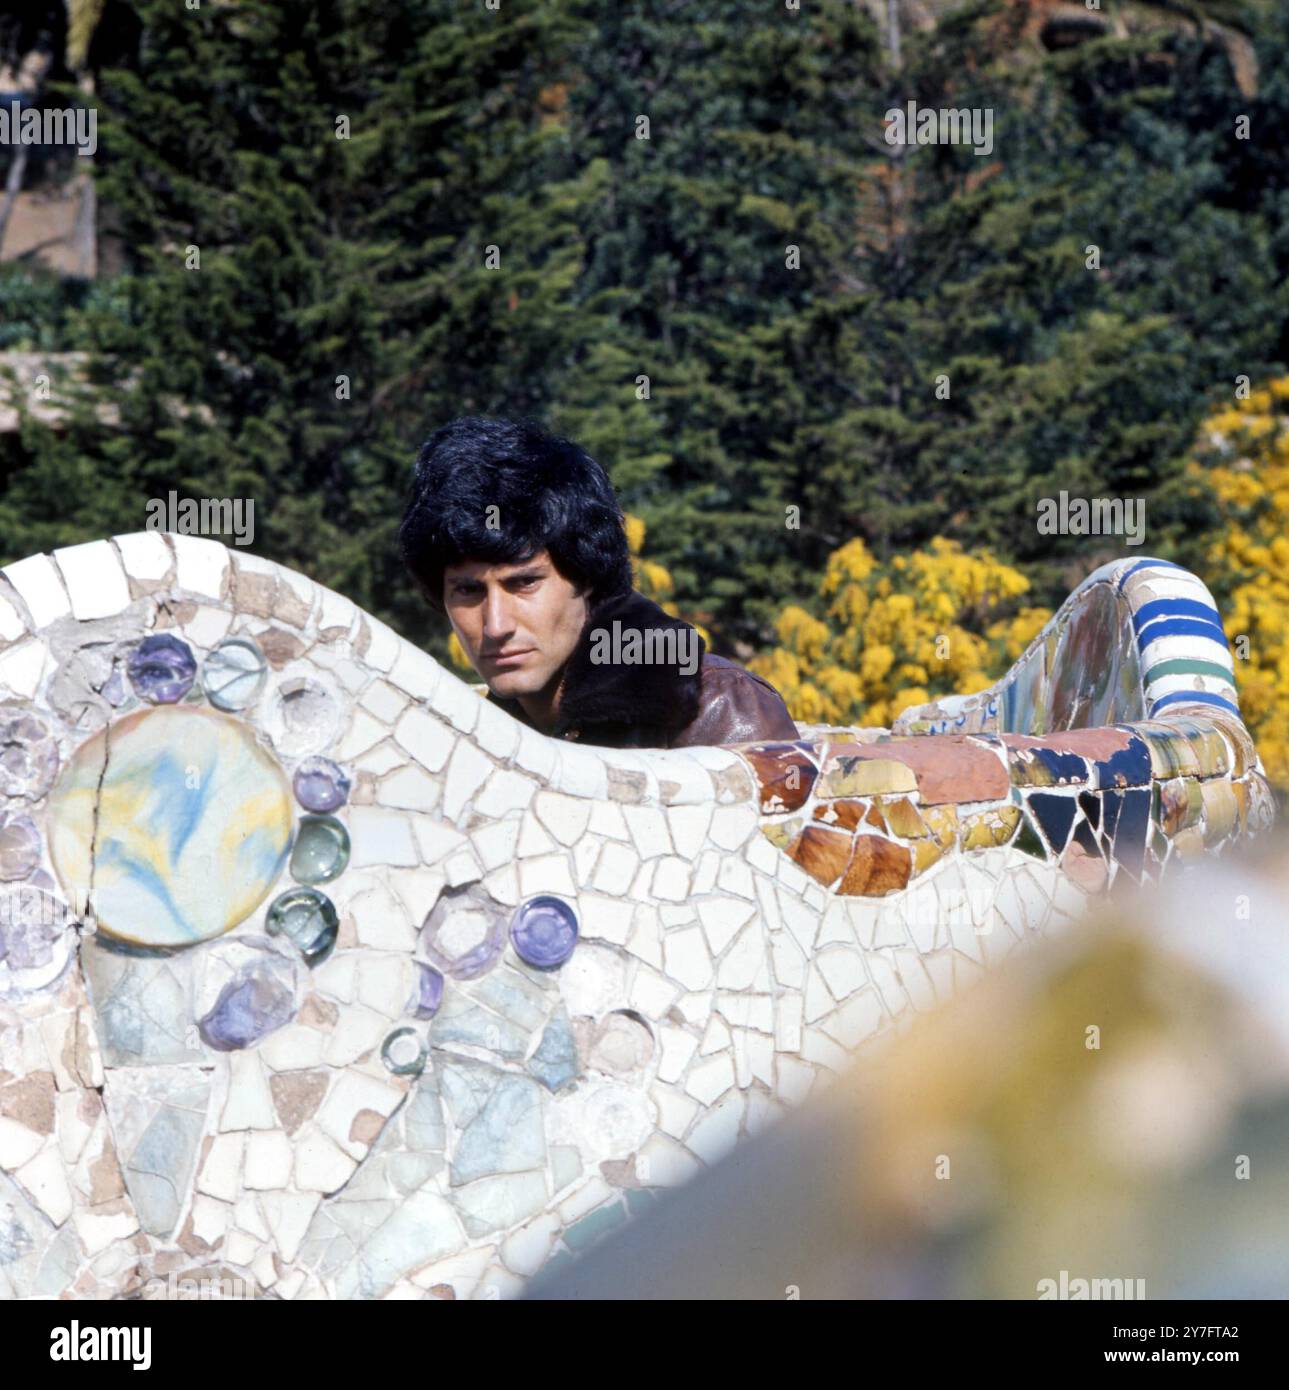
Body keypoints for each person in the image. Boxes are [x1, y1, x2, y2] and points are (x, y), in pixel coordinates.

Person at [398, 416, 799, 749]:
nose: (496, 626)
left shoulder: (716, 707)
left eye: (524, 583)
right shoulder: (481, 733)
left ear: (587, 576)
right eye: (468, 591)